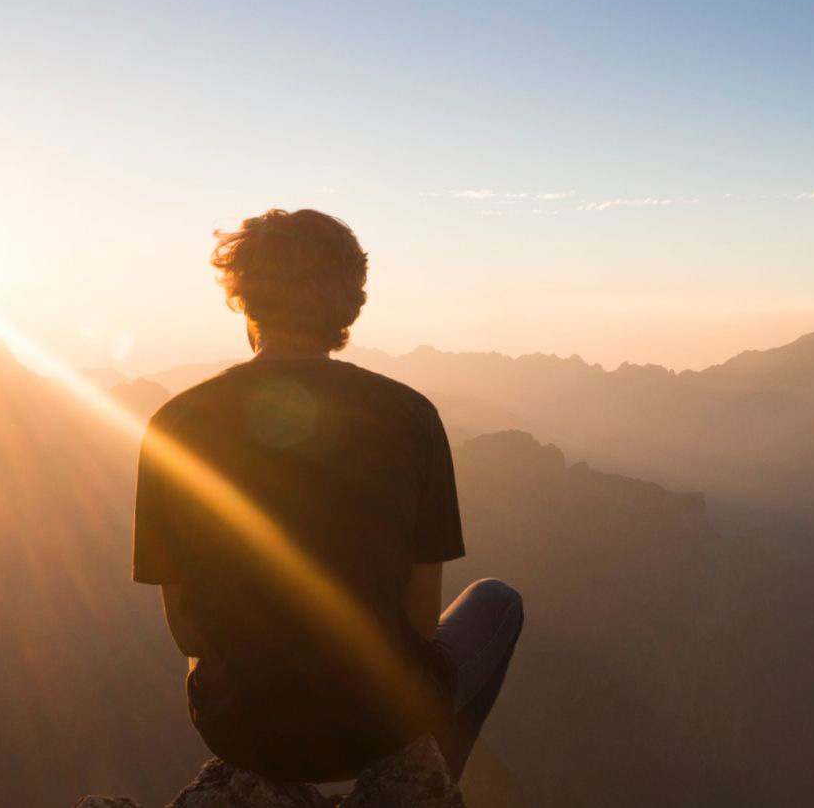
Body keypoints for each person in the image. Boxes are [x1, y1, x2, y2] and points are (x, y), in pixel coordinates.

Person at [132, 208, 522, 784]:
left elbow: (188, 635)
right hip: (378, 726)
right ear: (349, 303)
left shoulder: (174, 423)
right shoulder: (411, 416)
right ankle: (426, 781)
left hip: (238, 729)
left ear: (243, 295)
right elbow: (419, 623)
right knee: (498, 602)